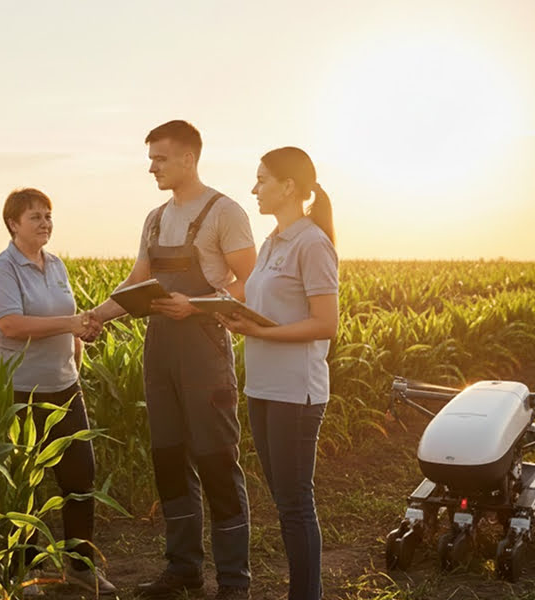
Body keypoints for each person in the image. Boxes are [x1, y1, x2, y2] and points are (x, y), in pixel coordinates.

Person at [88, 120, 257, 600]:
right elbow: (138, 279)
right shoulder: (156, 219)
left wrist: (197, 306)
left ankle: (233, 582)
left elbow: (252, 279)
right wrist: (96, 316)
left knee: (217, 461)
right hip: (158, 348)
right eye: (151, 158)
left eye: (159, 158)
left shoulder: (224, 212)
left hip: (203, 347)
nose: (151, 167)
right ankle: (183, 568)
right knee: (167, 458)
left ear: (188, 158)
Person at [216, 147, 339, 600]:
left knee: (294, 505)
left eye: (262, 180)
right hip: (262, 387)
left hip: (296, 392)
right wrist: (231, 313)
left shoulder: (312, 243)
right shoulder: (271, 241)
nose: (254, 189)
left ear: (289, 187)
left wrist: (258, 332)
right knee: (284, 502)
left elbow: (325, 324)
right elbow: (260, 302)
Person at [0, 187, 115, 596]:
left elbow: (68, 319)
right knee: (25, 483)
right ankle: (25, 571)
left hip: (64, 385)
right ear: (12, 224)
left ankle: (80, 567)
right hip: (19, 389)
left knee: (80, 479)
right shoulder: (1, 269)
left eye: (48, 215)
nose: (45, 223)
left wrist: (82, 338)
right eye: (35, 217)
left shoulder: (55, 264)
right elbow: (10, 325)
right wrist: (72, 323)